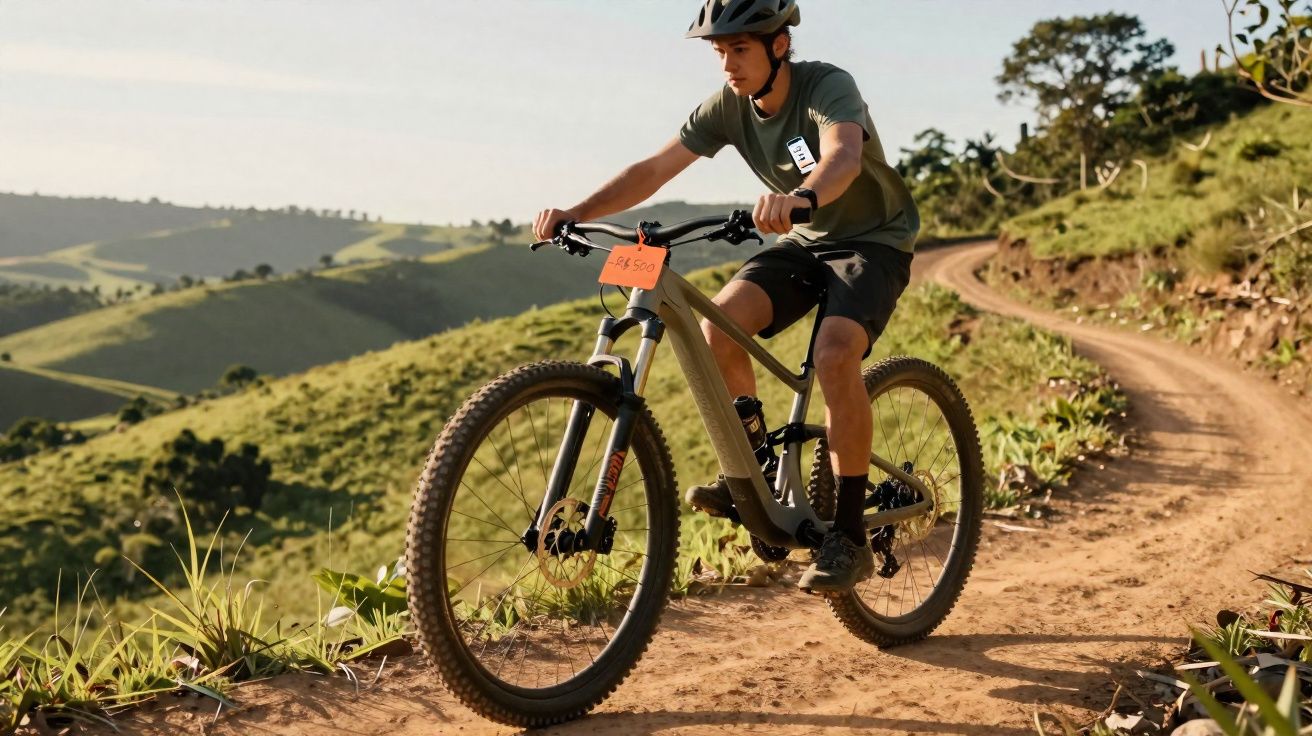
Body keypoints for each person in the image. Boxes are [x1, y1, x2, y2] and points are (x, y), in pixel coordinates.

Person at [532, 0, 920, 592]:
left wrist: (804, 197)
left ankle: (848, 535)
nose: (728, 65)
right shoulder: (728, 107)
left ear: (779, 46)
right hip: (805, 241)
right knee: (720, 327)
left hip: (872, 242)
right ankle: (757, 469)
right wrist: (577, 212)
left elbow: (841, 153)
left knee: (835, 354)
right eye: (720, 52)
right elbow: (655, 168)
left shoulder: (826, 85)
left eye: (740, 49)